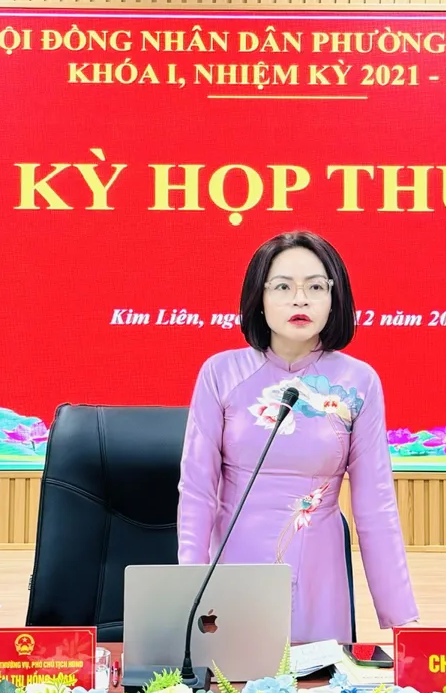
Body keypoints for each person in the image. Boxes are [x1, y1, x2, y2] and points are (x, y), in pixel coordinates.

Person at [177, 231, 418, 644]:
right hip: (232, 567)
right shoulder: (221, 373)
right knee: (228, 675)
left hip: (318, 572)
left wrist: (402, 622)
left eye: (316, 287)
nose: (300, 300)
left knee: (317, 680)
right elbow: (198, 490)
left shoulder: (358, 382)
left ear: (334, 299)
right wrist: (186, 589)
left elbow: (376, 505)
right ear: (259, 297)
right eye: (283, 287)